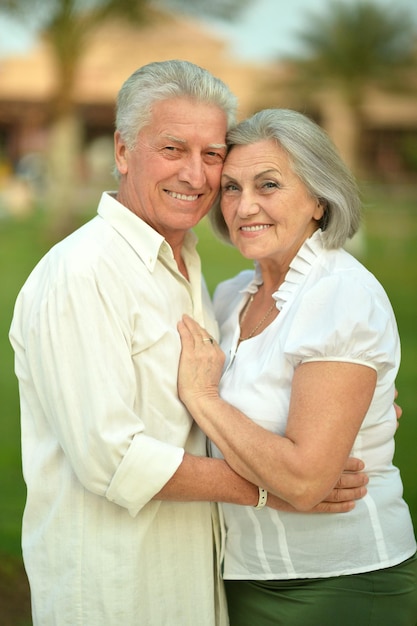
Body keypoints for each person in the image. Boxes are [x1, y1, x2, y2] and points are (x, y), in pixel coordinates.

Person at [8, 60, 370, 625]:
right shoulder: (84, 273)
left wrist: (355, 411)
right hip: (114, 591)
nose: (197, 176)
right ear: (124, 151)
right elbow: (113, 459)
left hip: (196, 587)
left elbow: (231, 393)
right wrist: (282, 488)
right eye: (173, 149)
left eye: (212, 154)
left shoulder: (191, 272)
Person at [177, 108, 417, 625]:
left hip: (341, 582)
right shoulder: (228, 299)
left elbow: (306, 482)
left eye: (269, 185)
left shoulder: (340, 295)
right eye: (233, 188)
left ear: (318, 200)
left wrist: (204, 400)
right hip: (241, 578)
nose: (245, 207)